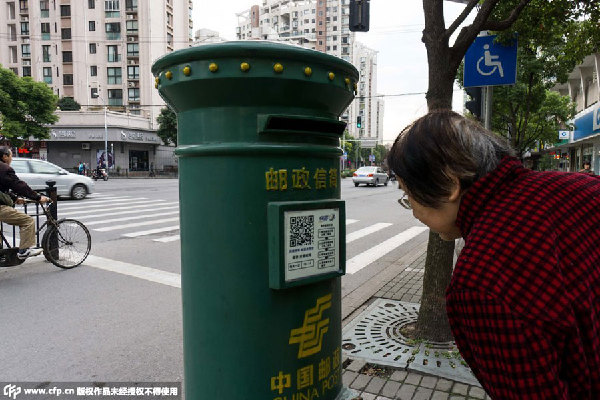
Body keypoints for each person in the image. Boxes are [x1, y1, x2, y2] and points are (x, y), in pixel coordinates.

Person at [387, 110, 600, 399]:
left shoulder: (480, 280)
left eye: (408, 194)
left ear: (449, 184)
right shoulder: (585, 188)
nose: (412, 210)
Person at [0, 147, 50, 259]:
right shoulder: (4, 168)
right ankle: (24, 251)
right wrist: (37, 197)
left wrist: (14, 198)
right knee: (28, 221)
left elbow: (3, 189)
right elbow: (18, 185)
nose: (11, 158)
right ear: (5, 156)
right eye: (11, 156)